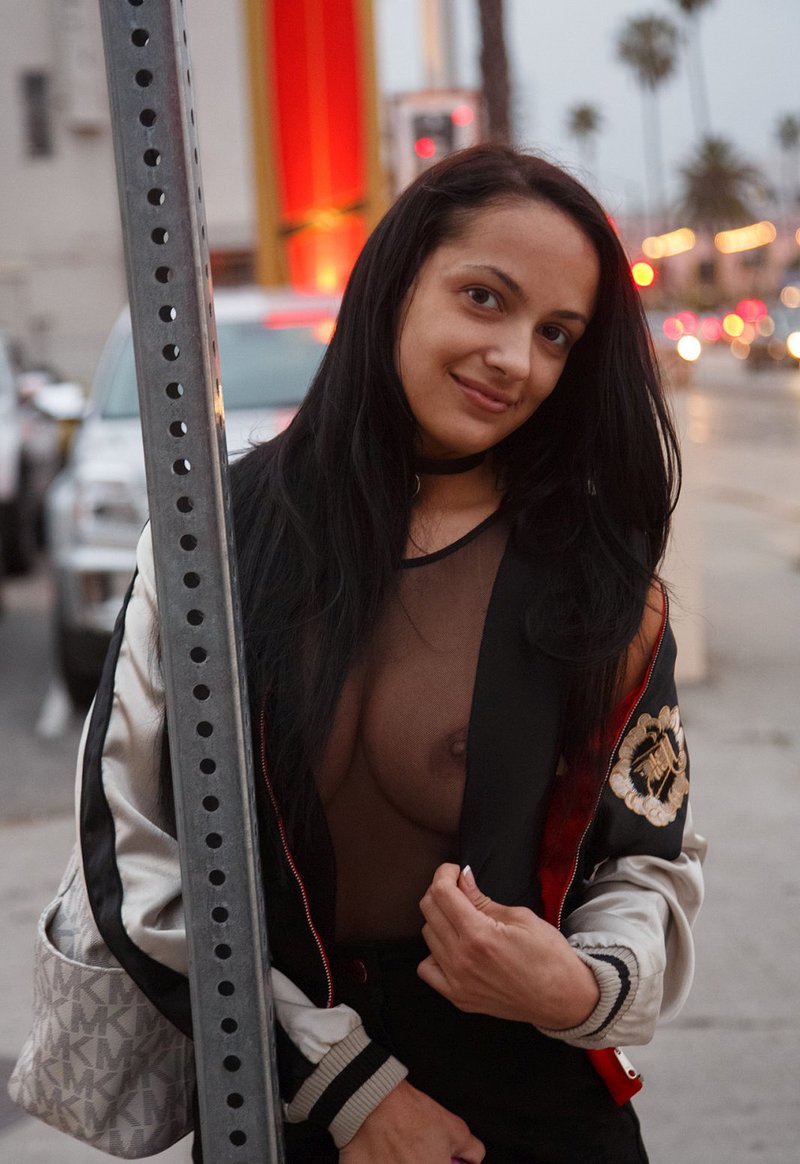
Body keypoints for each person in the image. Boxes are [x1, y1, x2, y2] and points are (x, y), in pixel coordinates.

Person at [45, 146, 705, 1162]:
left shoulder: (597, 582)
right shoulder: (214, 539)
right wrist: (349, 1092)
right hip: (283, 1113)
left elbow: (645, 857)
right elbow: (134, 851)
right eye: (484, 297)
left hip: (534, 1120)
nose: (515, 359)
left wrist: (579, 985)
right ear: (395, 283)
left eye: (555, 334)